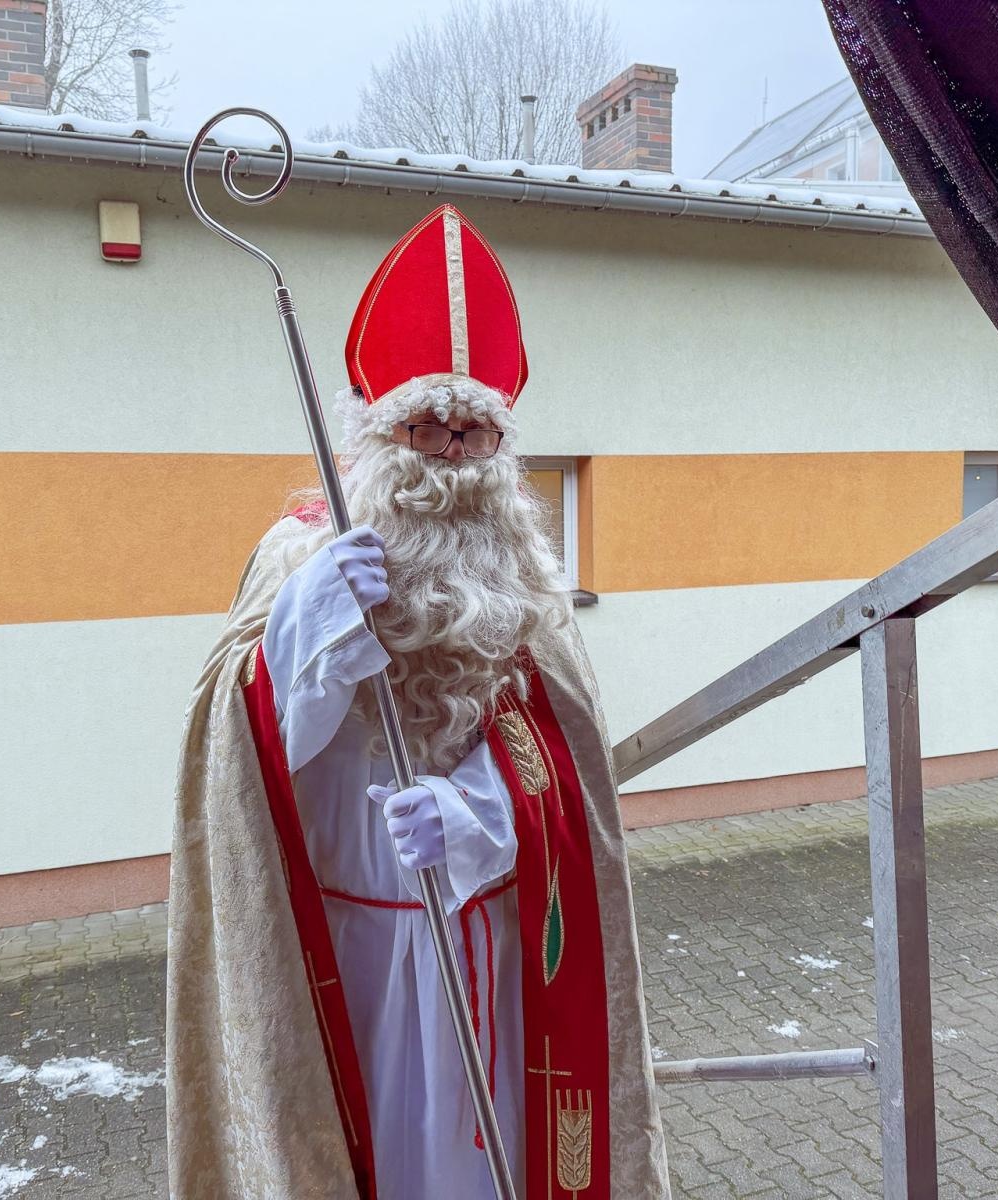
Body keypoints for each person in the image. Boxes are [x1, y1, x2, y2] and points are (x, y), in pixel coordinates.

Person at [167, 203, 671, 1200]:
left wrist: (475, 811)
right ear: (379, 432)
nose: (448, 448)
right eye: (424, 423)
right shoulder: (298, 554)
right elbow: (232, 754)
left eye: (471, 425)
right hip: (339, 942)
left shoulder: (523, 572)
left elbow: (564, 763)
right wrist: (307, 630)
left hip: (487, 931)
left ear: (500, 439)